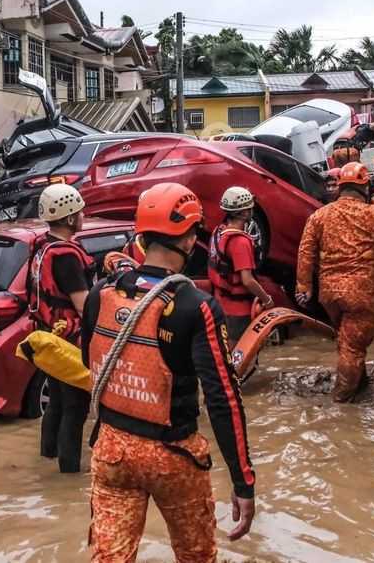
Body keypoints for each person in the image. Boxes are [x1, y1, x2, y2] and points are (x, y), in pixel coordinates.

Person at [84, 182, 256, 560]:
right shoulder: (197, 306)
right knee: (196, 555)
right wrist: (243, 481)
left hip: (111, 450)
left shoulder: (102, 293)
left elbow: (89, 363)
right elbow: (223, 397)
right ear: (190, 238)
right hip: (172, 455)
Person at [297, 161, 374, 401]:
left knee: (346, 341)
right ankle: (342, 405)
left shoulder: (319, 216)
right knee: (353, 347)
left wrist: (304, 287)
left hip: (329, 294)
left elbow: (305, 252)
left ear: (341, 187)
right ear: (365, 187)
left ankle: (359, 384)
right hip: (361, 293)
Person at [25, 184, 94, 474]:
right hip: (68, 340)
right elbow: (83, 305)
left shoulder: (43, 247)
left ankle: (48, 455)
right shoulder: (66, 256)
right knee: (75, 406)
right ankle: (68, 472)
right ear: (69, 219)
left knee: (56, 400)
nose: (82, 216)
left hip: (47, 337)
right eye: (79, 213)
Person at [208, 187, 274, 343]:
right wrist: (267, 300)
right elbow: (247, 280)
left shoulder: (218, 232)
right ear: (244, 213)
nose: (252, 211)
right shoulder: (240, 242)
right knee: (241, 356)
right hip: (237, 312)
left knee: (227, 354)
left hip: (219, 304)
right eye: (250, 208)